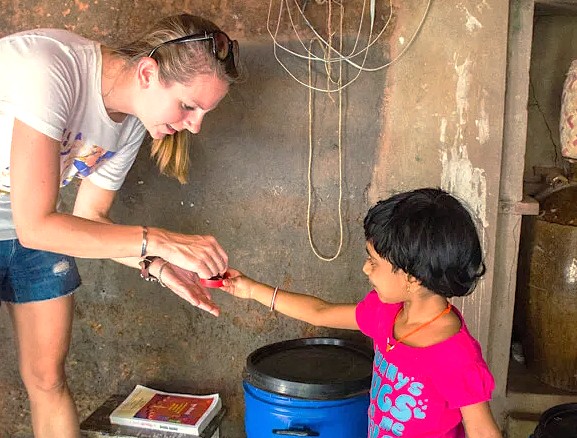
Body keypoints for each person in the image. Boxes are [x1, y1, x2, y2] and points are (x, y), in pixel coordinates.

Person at [0, 13, 239, 438]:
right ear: (148, 72)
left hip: (33, 224)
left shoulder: (130, 121)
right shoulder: (52, 69)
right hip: (34, 222)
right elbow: (36, 225)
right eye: (188, 105)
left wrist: (159, 265)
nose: (195, 126)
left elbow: (89, 220)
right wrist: (160, 240)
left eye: (204, 112)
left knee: (47, 379)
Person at [221, 188, 503, 438]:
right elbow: (320, 312)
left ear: (413, 277)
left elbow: (482, 430)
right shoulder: (386, 312)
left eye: (373, 261)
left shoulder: (455, 356)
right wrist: (252, 290)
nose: (365, 269)